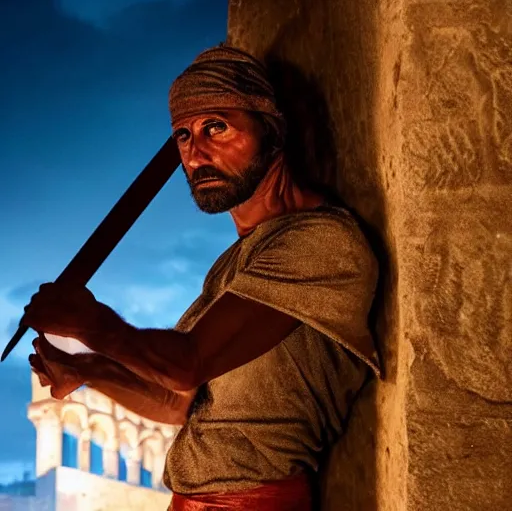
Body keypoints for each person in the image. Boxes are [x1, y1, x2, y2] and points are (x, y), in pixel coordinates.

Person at [24, 45, 381, 511]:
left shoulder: (322, 242)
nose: (196, 153)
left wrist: (91, 324)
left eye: (217, 127)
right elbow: (177, 401)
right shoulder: (237, 261)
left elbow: (187, 363)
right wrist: (88, 370)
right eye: (184, 136)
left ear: (270, 130)